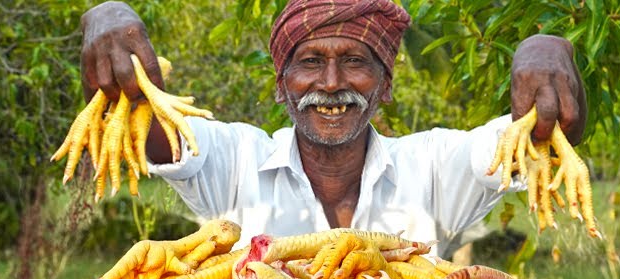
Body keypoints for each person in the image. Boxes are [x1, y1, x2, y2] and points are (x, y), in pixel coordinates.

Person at [79, 0, 587, 258]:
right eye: (309, 62)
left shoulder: (432, 166)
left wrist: (544, 52)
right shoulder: (238, 161)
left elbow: (533, 134)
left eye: (355, 61)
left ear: (385, 85)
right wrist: (108, 17)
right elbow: (164, 138)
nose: (331, 83)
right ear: (281, 86)